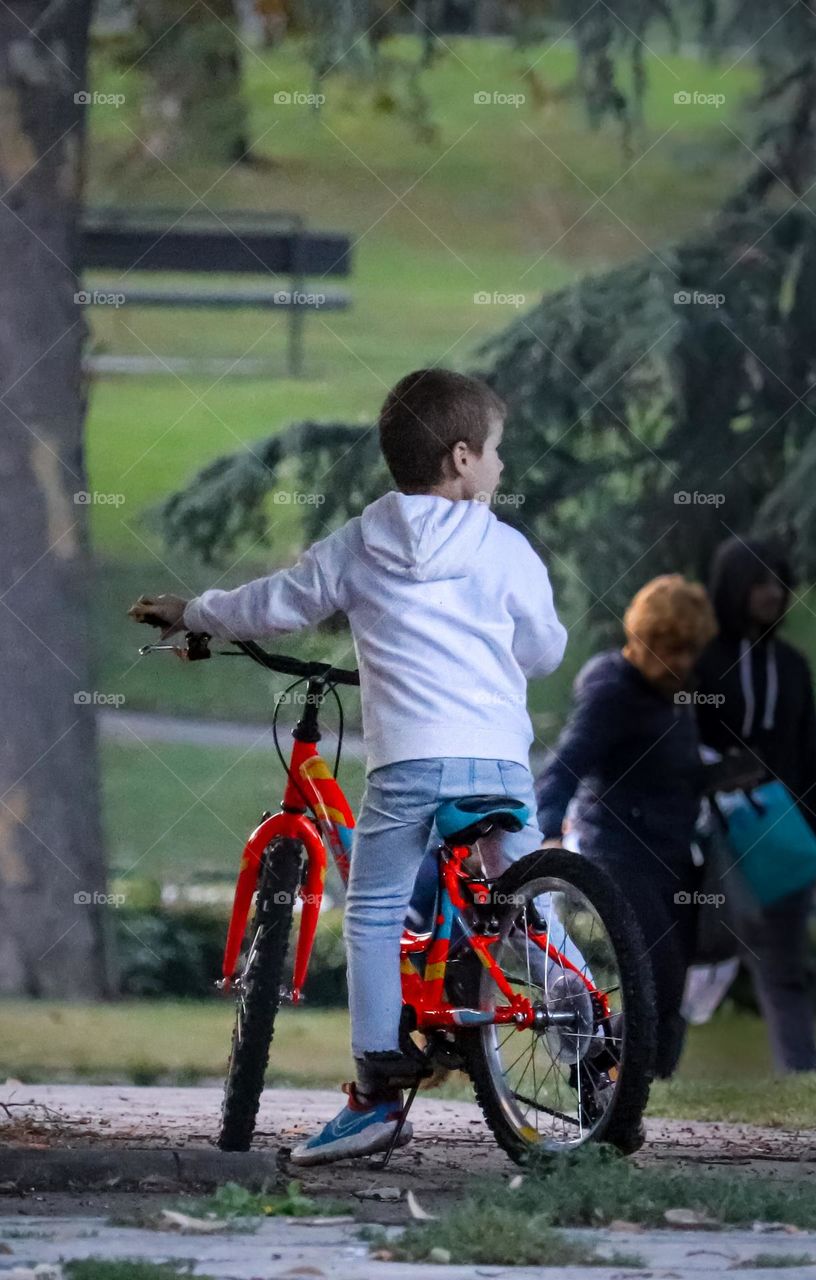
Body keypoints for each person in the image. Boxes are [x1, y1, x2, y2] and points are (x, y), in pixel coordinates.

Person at [129, 368, 567, 1164]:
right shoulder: (505, 547)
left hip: (410, 762)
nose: (501, 466)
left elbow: (273, 604)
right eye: (497, 452)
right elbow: (542, 648)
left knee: (371, 907)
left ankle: (374, 1087)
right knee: (525, 881)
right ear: (464, 459)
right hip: (498, 757)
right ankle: (583, 1013)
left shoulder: (360, 543)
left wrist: (191, 611)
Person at [535, 576, 723, 1078]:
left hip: (674, 853)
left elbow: (669, 769)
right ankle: (601, 1079)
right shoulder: (613, 693)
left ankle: (605, 1075)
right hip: (619, 851)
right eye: (671, 650)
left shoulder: (676, 693)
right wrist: (549, 833)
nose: (682, 662)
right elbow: (563, 766)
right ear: (642, 641)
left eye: (689, 650)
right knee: (653, 980)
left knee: (668, 993)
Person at [694, 536, 816, 1073]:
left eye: (779, 583)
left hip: (784, 835)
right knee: (688, 956)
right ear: (734, 587)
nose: (772, 594)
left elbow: (808, 757)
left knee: (784, 967)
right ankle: (643, 1071)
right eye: (759, 583)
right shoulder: (703, 660)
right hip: (712, 834)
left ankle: (802, 1076)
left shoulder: (794, 668)